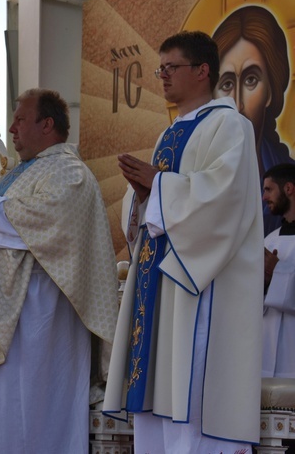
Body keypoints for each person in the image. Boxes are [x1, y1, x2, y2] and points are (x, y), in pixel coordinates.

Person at [0, 88, 120, 452]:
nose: (13, 128)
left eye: (20, 119)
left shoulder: (69, 172)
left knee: (27, 419)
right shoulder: (19, 174)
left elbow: (52, 220)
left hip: (35, 326)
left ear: (47, 124)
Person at [103, 30, 263, 452]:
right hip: (158, 285)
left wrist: (158, 186)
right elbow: (151, 205)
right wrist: (142, 195)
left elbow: (223, 199)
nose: (163, 77)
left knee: (189, 401)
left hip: (198, 285)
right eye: (161, 69)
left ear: (202, 71)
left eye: (171, 68)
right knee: (157, 396)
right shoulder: (168, 133)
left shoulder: (232, 127)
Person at [212, 5, 295, 234]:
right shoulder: (200, 179)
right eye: (227, 84)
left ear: (269, 92)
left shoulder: (290, 180)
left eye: (250, 80)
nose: (237, 104)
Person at [262, 163, 295, 378]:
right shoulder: (269, 240)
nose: (264, 197)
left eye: (268, 189)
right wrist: (263, 281)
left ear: (288, 189)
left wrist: (277, 272)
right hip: (266, 346)